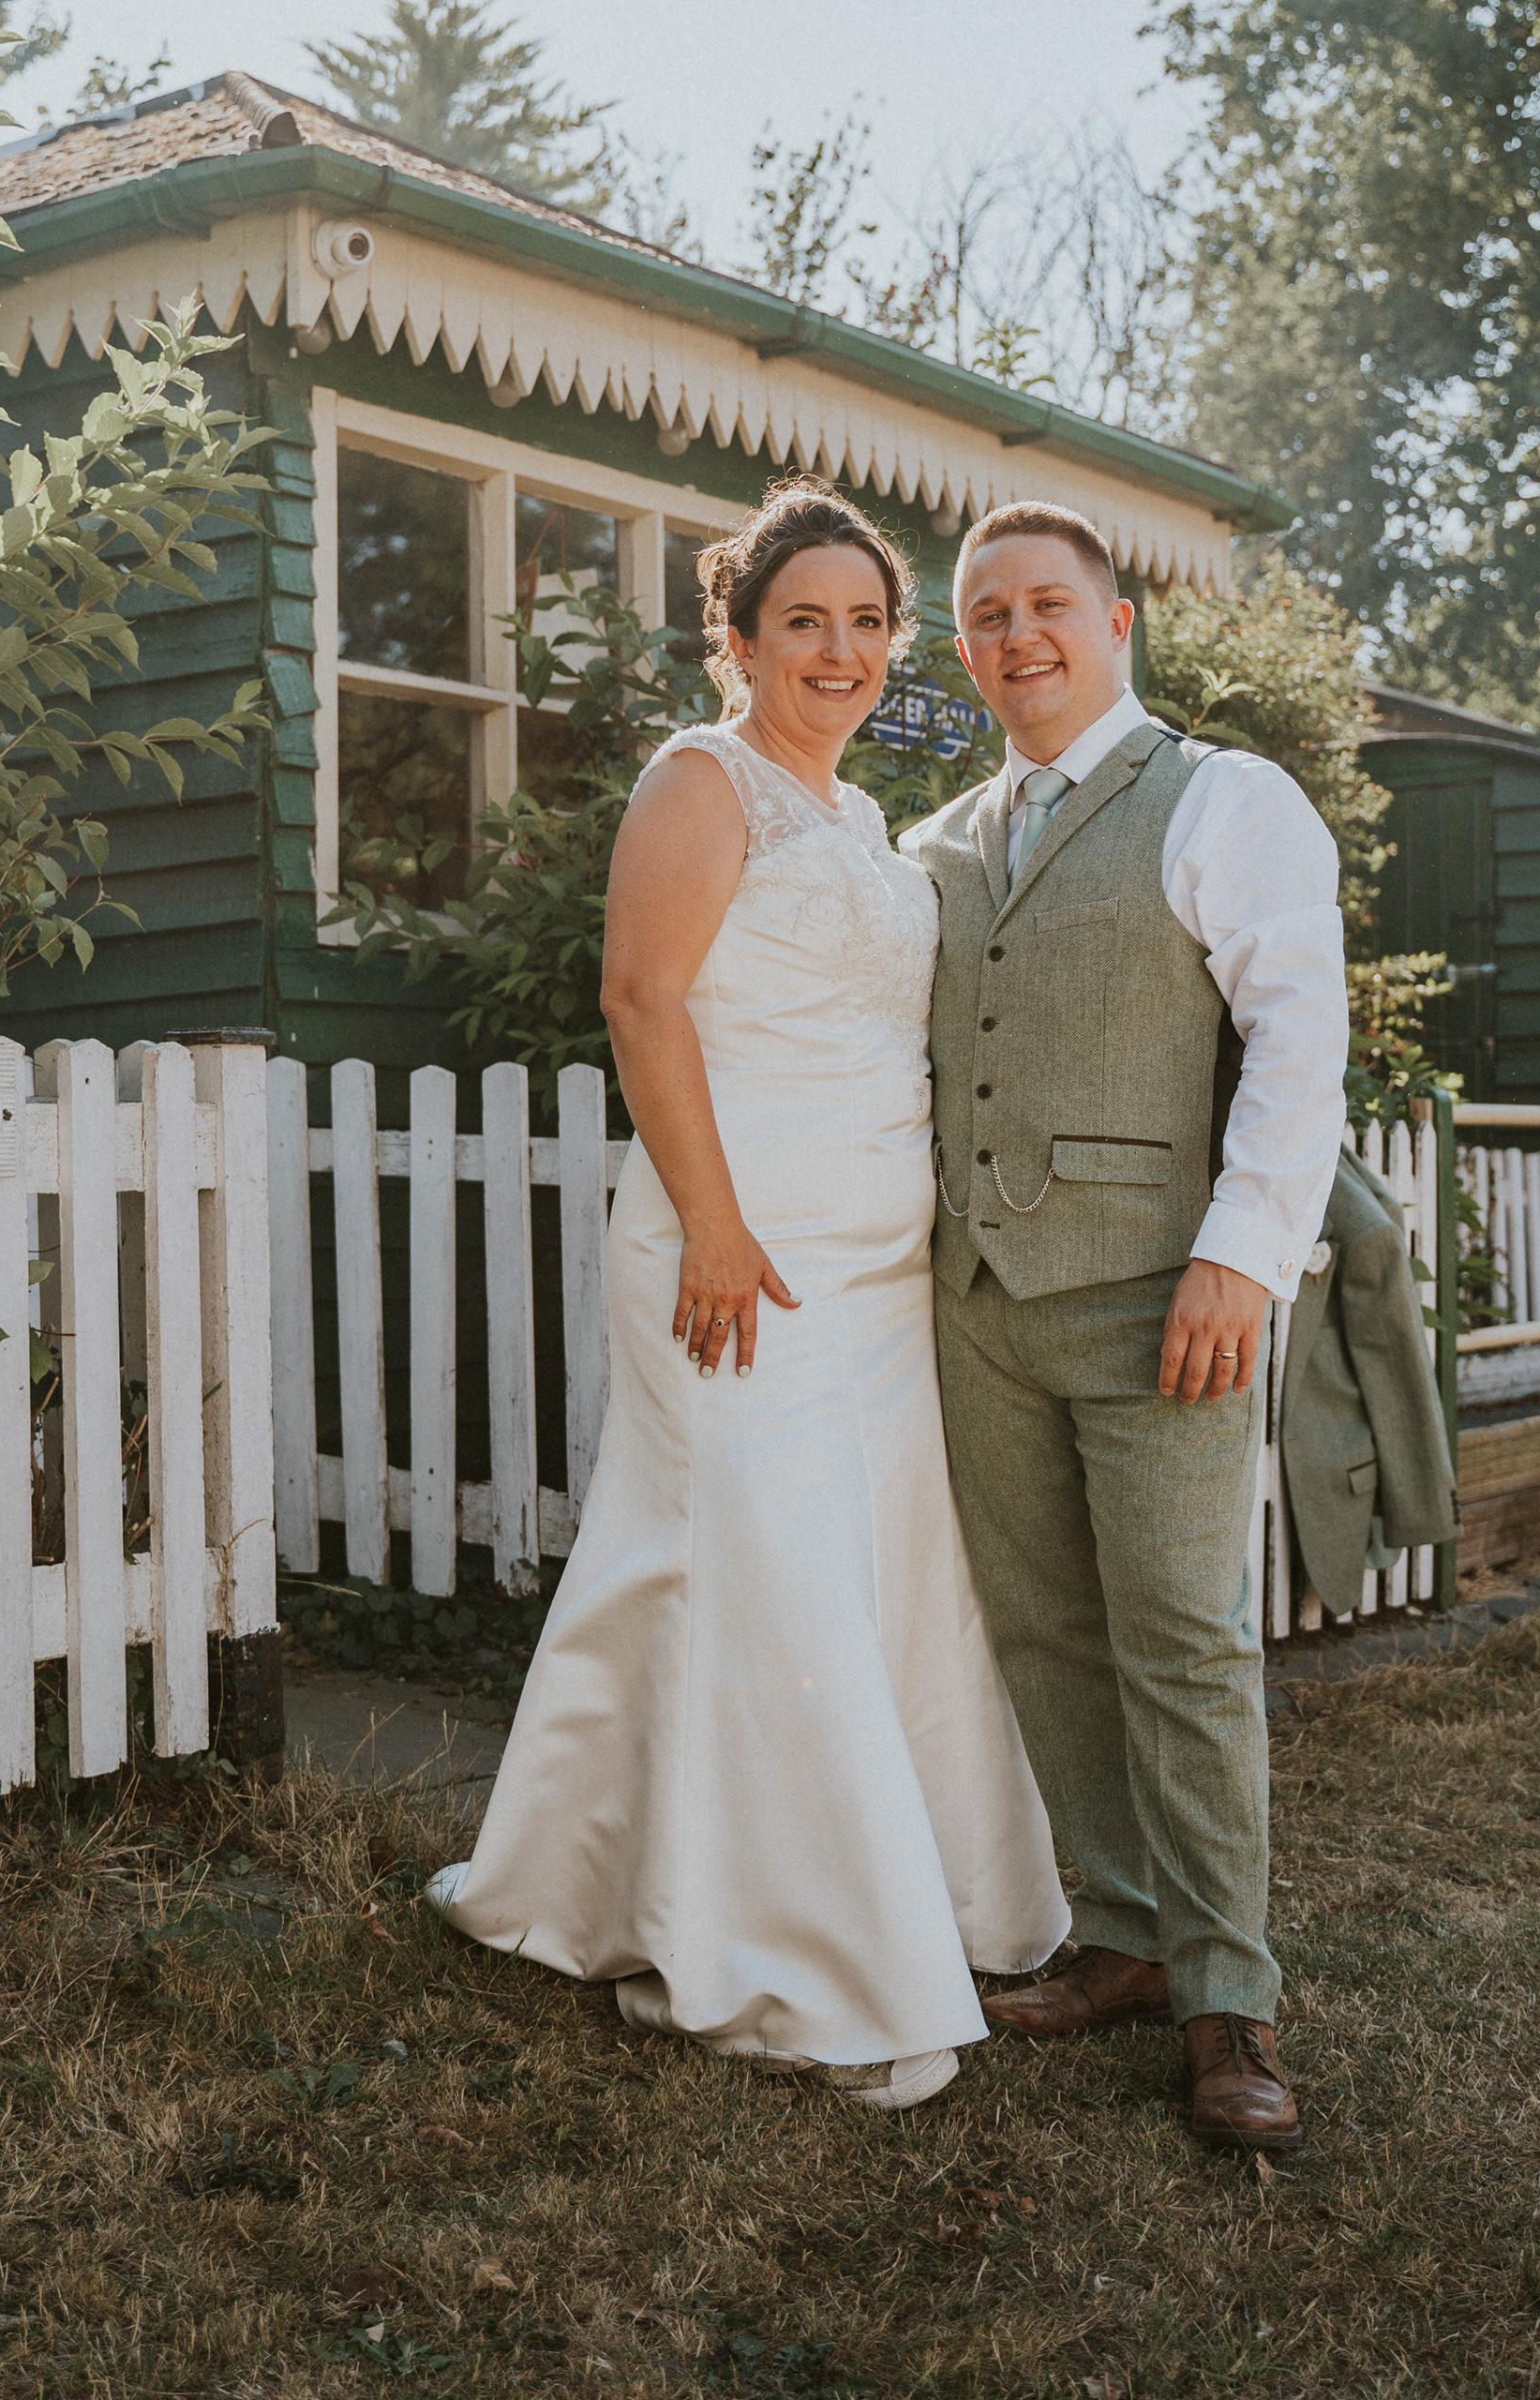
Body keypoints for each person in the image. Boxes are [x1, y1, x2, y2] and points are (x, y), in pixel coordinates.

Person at [427, 480, 1069, 2112]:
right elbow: (640, 998)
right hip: (737, 1259)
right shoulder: (700, 781)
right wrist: (714, 1224)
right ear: (736, 642)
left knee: (841, 1578)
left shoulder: (858, 822)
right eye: (804, 623)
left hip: (870, 1277)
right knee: (769, 1574)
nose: (840, 652)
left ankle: (628, 1886)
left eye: (867, 624)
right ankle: (814, 1968)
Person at [899, 502, 1351, 2152]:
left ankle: (1233, 1993)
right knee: (1044, 1629)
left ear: (1118, 622)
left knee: (1183, 1638)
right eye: (986, 617)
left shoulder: (1226, 799)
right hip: (980, 1305)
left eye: (1048, 606)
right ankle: (1126, 1938)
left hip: (1167, 1300)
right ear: (965, 651)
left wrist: (1244, 1254)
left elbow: (1302, 1033)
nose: (1019, 635)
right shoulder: (938, 840)